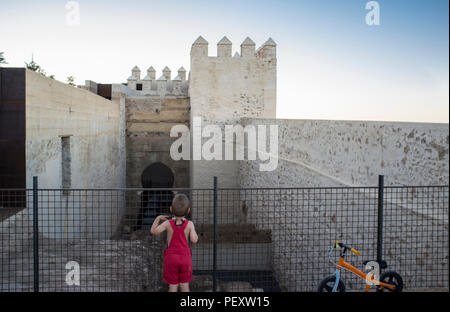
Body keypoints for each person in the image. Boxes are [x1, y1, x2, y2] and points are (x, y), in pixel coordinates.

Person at [150, 193, 198, 292]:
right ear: (188, 210)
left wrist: (157, 218)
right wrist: (195, 233)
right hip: (185, 258)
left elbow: (153, 231)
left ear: (171, 209)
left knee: (173, 286)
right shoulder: (190, 224)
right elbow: (194, 240)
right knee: (185, 285)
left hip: (171, 258)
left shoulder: (168, 223)